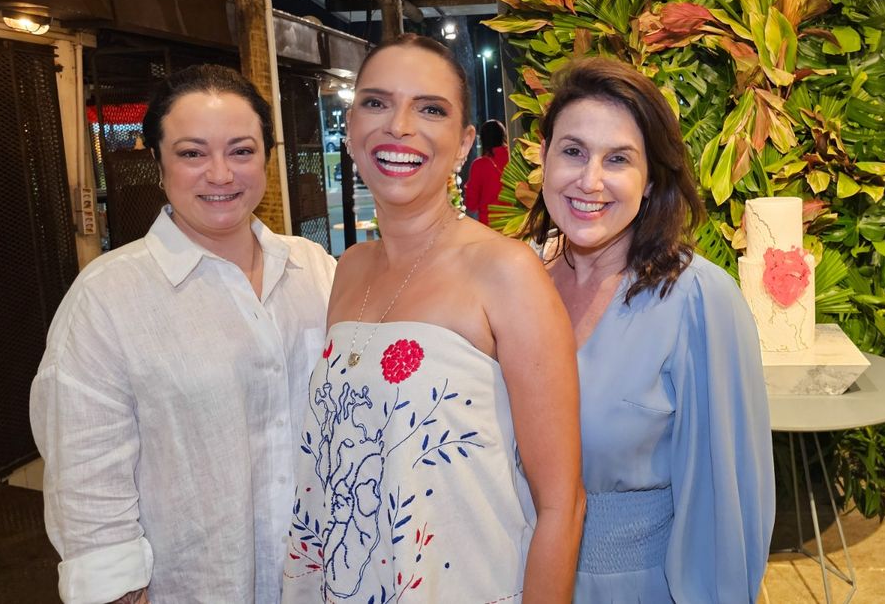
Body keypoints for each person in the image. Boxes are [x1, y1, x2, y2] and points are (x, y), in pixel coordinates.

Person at [282, 34, 585, 603]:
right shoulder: (349, 269)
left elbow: (561, 505)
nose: (399, 126)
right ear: (351, 126)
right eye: (376, 102)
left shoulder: (505, 271)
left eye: (430, 109)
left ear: (464, 141)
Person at [30, 65, 337, 603]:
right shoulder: (107, 297)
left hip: (323, 581)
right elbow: (86, 477)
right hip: (194, 586)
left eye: (241, 151)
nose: (220, 174)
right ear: (158, 162)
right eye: (192, 153)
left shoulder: (314, 269)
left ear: (266, 158)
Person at [521, 57, 775, 602]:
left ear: (651, 178)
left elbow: (727, 506)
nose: (590, 180)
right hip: (512, 578)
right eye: (573, 151)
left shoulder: (698, 301)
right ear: (544, 158)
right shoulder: (514, 283)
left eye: (618, 159)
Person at [463, 118, 510, 225]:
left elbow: (471, 204)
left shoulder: (479, 165)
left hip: (490, 225)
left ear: (483, 140)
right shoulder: (513, 157)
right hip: (515, 223)